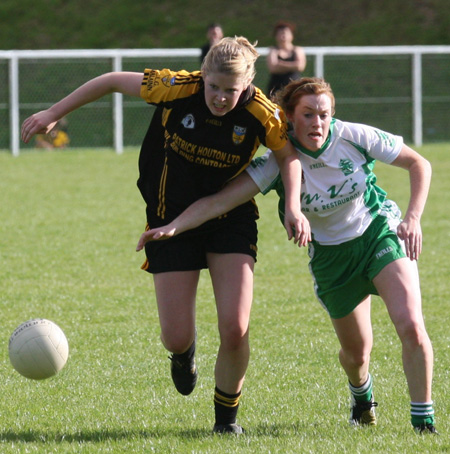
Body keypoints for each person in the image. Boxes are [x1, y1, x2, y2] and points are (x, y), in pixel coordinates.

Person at [21, 36, 310, 435]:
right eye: (214, 87)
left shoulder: (263, 113)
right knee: (175, 337)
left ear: (247, 85)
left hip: (229, 216)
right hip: (167, 218)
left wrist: (293, 205)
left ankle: (226, 421)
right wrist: (54, 112)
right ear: (203, 75)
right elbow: (108, 81)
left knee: (235, 326)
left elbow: (287, 156)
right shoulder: (175, 87)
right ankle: (183, 354)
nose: (221, 98)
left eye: (232, 90)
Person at [137, 77, 438, 434]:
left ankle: (424, 424)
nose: (317, 123)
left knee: (412, 327)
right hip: (330, 260)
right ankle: (362, 395)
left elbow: (419, 164)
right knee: (357, 355)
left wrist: (412, 218)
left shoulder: (354, 136)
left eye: (323, 115)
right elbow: (220, 201)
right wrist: (175, 226)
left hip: (378, 234)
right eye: (308, 115)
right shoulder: (276, 162)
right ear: (290, 119)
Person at [266, 21, 306, 97]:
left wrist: (280, 64)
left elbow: (300, 66)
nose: (283, 36)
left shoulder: (297, 50)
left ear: (292, 35)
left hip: (294, 87)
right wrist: (292, 65)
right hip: (276, 88)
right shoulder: (273, 50)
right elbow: (273, 68)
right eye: (280, 33)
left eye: (286, 33)